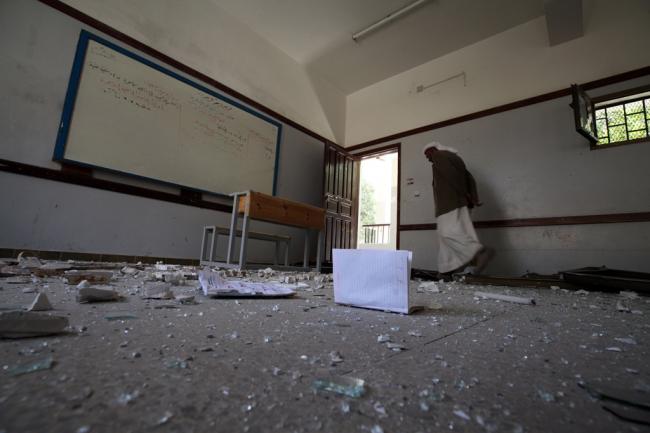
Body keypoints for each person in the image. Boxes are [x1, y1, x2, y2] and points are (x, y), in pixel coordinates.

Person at [423, 142, 491, 277]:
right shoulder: (455, 158)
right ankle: (446, 269)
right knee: (453, 236)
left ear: (433, 149)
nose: (428, 158)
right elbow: (469, 178)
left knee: (446, 233)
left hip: (449, 203)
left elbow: (451, 176)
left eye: (427, 154)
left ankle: (477, 252)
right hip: (460, 202)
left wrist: (465, 194)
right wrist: (472, 198)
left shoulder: (439, 155)